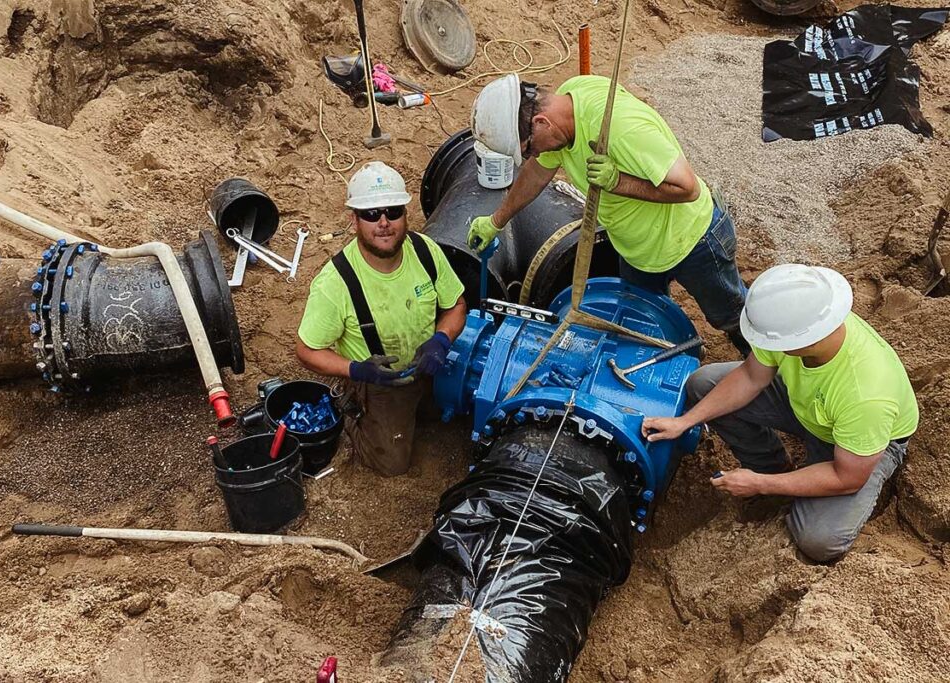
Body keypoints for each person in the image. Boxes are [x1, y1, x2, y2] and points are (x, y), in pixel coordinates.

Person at [642, 264, 918, 562]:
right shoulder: (799, 321)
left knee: (818, 540)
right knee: (704, 385)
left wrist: (758, 483)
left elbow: (847, 476)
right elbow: (751, 377)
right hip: (809, 404)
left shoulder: (866, 393)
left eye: (774, 343)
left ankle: (784, 483)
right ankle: (774, 468)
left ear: (803, 341)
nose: (765, 345)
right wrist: (685, 421)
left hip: (856, 447)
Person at [468, 73, 749, 354]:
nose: (532, 155)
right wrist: (497, 220)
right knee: (644, 321)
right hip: (638, 249)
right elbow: (538, 171)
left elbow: (687, 188)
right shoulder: (564, 108)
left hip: (692, 240)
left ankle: (774, 376)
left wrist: (617, 181)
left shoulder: (620, 127)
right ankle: (682, 355)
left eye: (528, 149)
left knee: (732, 317)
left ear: (541, 122)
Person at [296, 161, 467, 476]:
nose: (384, 222)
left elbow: (456, 304)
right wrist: (358, 370)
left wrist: (441, 340)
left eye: (393, 211)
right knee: (392, 464)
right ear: (355, 220)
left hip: (429, 363)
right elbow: (307, 351)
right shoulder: (336, 283)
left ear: (406, 213)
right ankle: (352, 409)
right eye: (372, 214)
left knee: (456, 414)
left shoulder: (425, 250)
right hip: (378, 382)